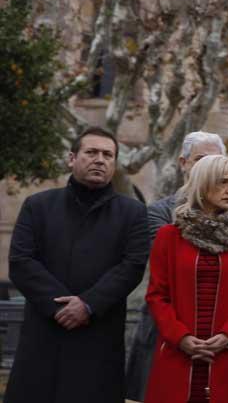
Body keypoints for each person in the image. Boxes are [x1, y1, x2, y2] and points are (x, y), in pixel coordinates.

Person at [7, 127, 150, 403]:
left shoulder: (132, 212)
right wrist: (61, 307)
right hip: (44, 333)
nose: (100, 159)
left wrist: (87, 305)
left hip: (98, 336)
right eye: (91, 152)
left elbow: (132, 266)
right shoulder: (38, 205)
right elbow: (21, 261)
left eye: (108, 155)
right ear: (72, 159)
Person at [144, 154, 228, 403]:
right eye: (223, 182)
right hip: (176, 353)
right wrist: (181, 337)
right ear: (202, 184)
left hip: (224, 355)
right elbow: (156, 295)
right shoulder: (169, 235)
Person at [127, 129, 225, 400]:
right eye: (200, 160)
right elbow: (172, 258)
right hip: (166, 328)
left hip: (219, 331)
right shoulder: (158, 212)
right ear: (184, 164)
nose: (207, 169)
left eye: (214, 161)